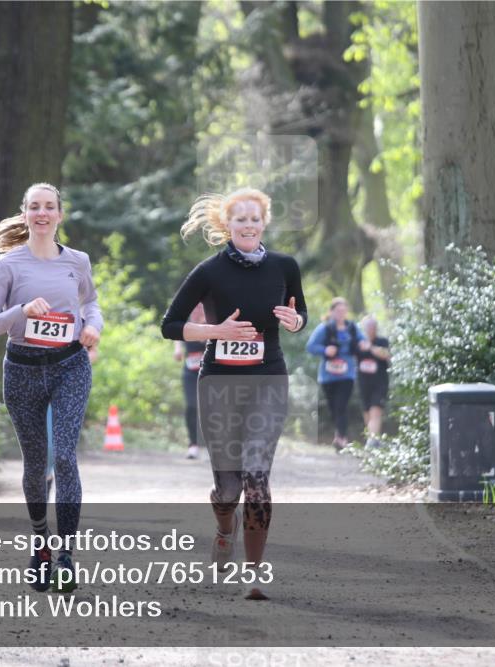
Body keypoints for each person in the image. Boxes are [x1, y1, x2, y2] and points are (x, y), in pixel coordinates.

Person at [161, 188, 307, 600]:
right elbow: (170, 325)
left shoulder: (284, 266)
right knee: (228, 489)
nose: (247, 224)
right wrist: (216, 332)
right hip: (220, 383)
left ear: (265, 222)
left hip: (268, 379)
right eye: (239, 219)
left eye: (254, 218)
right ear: (227, 224)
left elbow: (301, 313)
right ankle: (225, 529)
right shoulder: (209, 271)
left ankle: (255, 573)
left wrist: (294, 321)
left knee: (257, 476)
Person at [0, 182, 101, 594]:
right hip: (23, 369)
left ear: (60, 215)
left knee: (64, 456)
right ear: (25, 214)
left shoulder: (77, 261)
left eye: (50, 207)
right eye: (35, 207)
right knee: (35, 465)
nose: (42, 214)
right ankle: (41, 542)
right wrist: (20, 312)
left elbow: (91, 303)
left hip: (69, 365)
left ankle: (65, 554)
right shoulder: (8, 266)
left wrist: (93, 327)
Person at [306, 297, 365, 450]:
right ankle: (339, 434)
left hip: (347, 374)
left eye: (343, 311)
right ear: (331, 312)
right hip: (328, 376)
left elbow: (362, 340)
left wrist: (363, 344)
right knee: (333, 407)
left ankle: (341, 438)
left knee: (341, 405)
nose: (341, 313)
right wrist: (325, 350)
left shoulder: (352, 328)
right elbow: (311, 346)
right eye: (338, 311)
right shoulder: (324, 328)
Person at [173, 303, 207, 459]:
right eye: (195, 307)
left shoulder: (212, 322)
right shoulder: (186, 323)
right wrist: (177, 349)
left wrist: (205, 326)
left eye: (201, 307)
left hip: (209, 373)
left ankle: (211, 444)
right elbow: (176, 334)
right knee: (192, 406)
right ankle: (193, 444)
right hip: (190, 372)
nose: (197, 311)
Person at [355, 315, 390, 446]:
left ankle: (372, 442)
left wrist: (370, 347)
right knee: (367, 414)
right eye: (368, 326)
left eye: (373, 326)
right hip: (363, 384)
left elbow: (386, 354)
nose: (371, 329)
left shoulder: (382, 341)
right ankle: (374, 440)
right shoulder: (358, 343)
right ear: (363, 328)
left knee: (376, 412)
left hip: (380, 383)